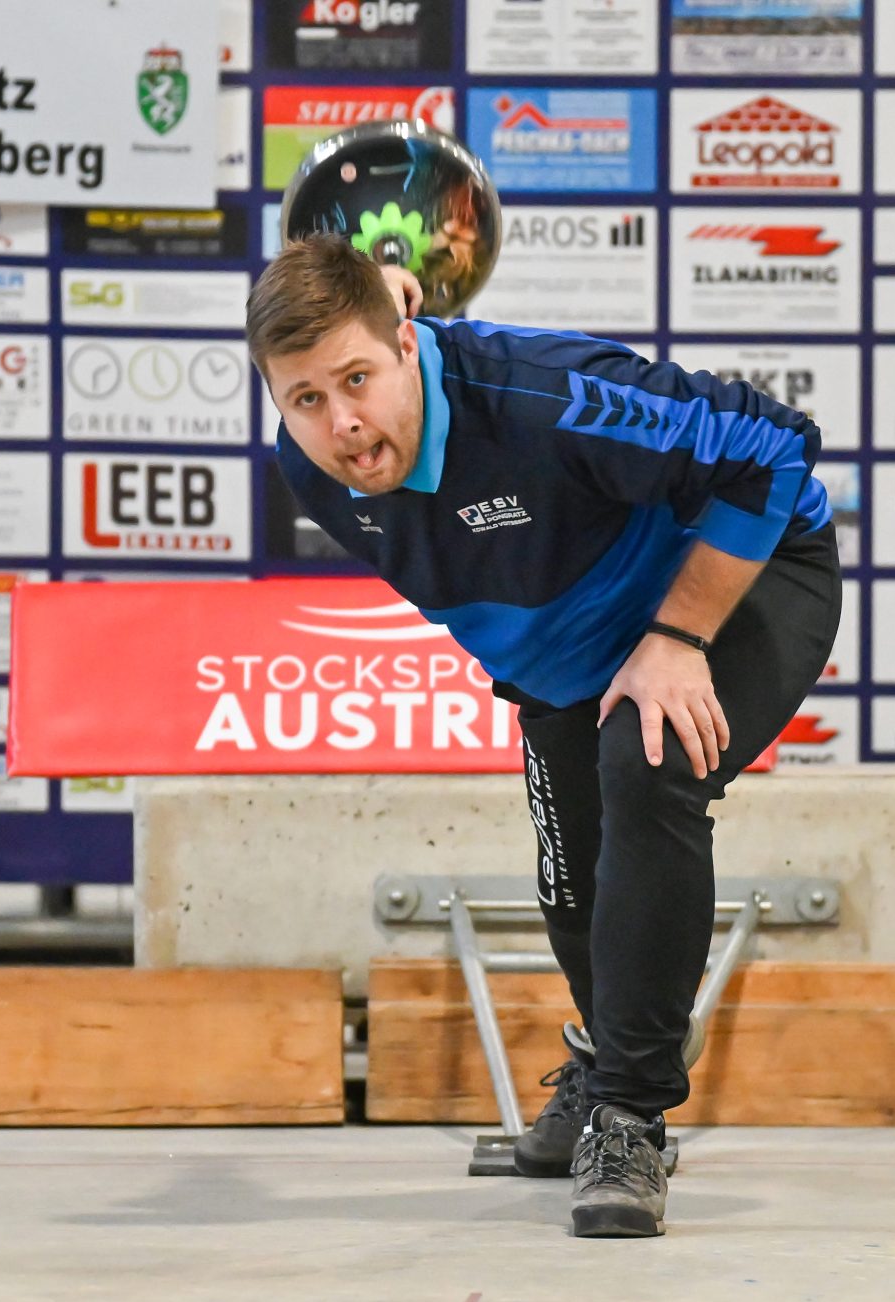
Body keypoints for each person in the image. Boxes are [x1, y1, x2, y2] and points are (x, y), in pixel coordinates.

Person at [247, 235, 842, 1237]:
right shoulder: (313, 472)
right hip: (571, 651)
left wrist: (675, 634)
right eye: (304, 397)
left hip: (738, 578)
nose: (342, 423)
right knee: (570, 875)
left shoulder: (542, 396)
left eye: (357, 379)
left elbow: (770, 447)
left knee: (643, 767)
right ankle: (605, 1056)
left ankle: (630, 1116)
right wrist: (545, 691)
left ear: (406, 341)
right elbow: (476, 566)